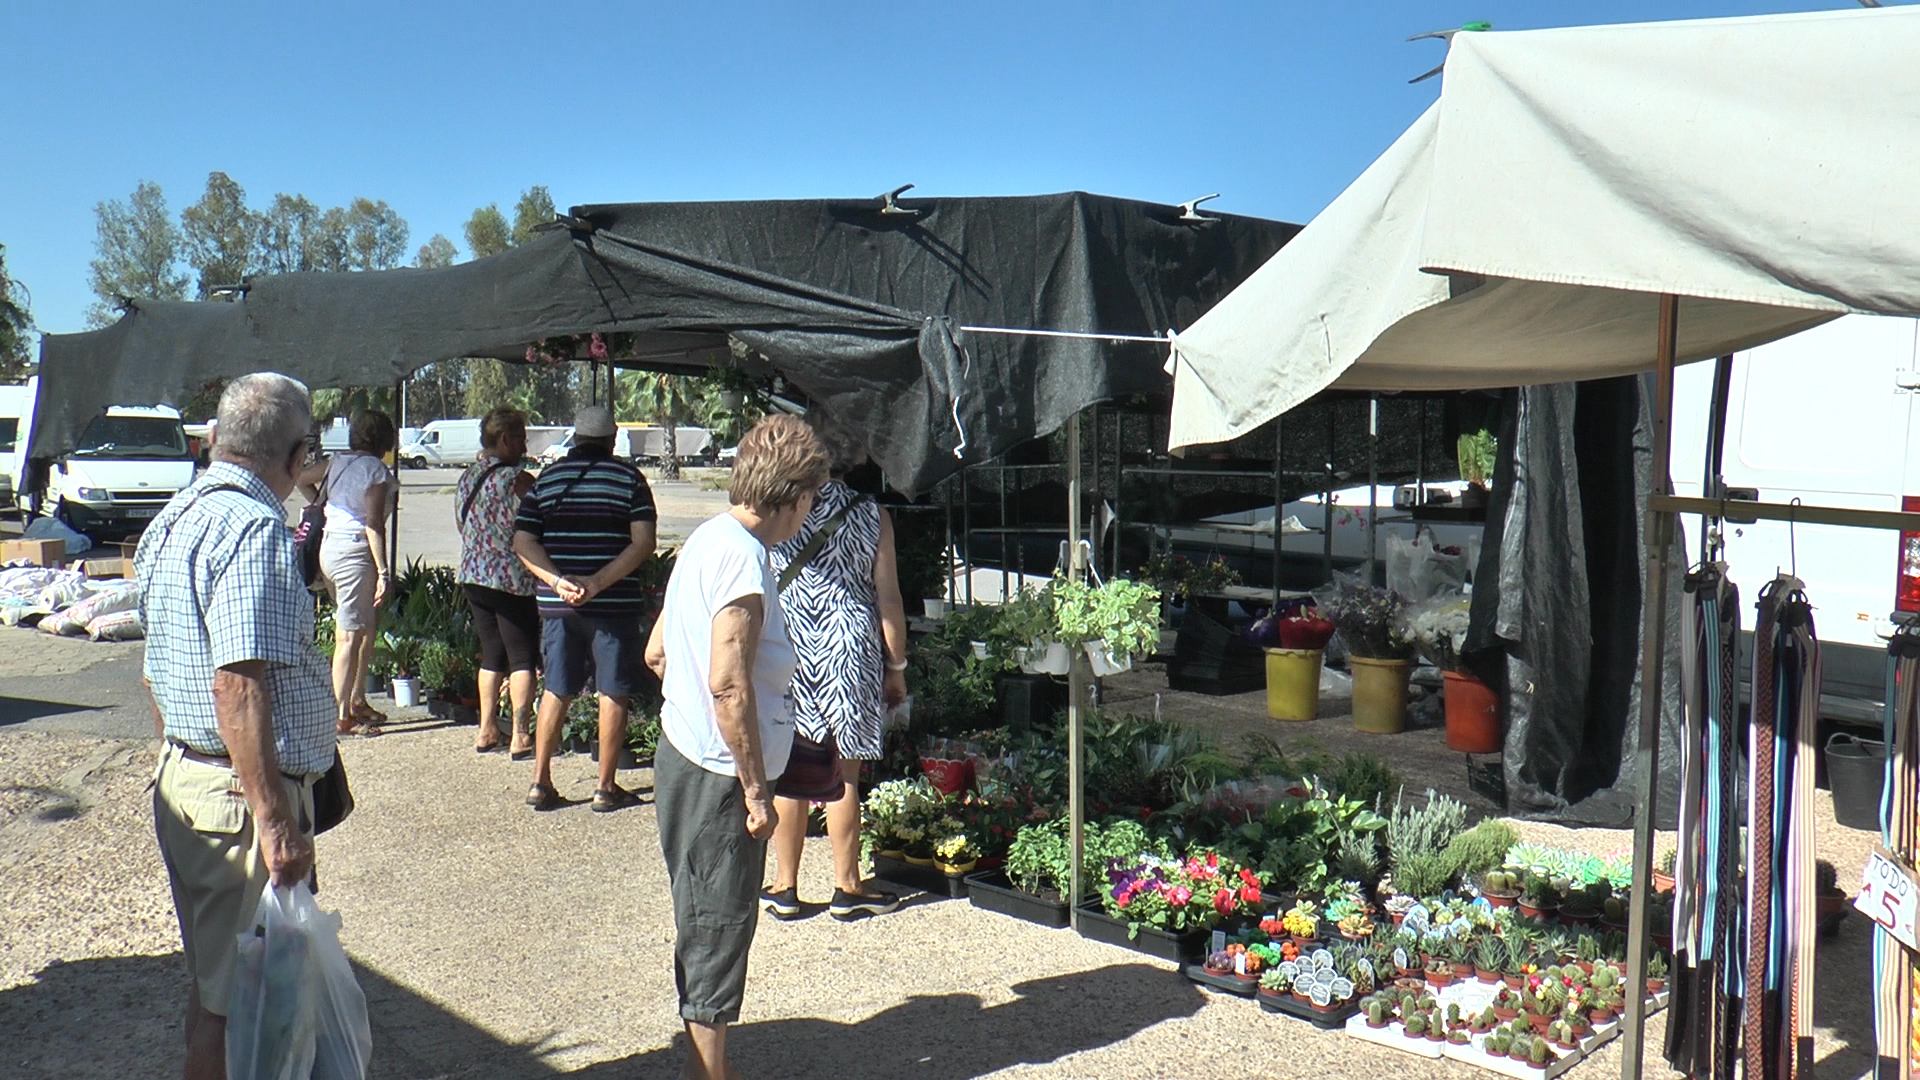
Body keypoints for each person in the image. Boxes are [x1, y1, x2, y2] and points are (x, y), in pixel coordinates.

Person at [138, 373, 338, 1080]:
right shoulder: (253, 528)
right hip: (236, 801)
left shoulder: (178, 513)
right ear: (297, 453)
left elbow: (155, 661)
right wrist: (276, 824)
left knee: (218, 991)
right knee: (240, 1011)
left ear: (218, 437)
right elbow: (237, 685)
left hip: (192, 783)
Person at [644, 413, 823, 1080]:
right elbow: (727, 684)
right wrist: (754, 789)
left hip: (687, 757)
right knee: (718, 926)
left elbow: (657, 650)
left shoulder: (708, 538)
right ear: (799, 496)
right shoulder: (746, 561)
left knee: (703, 916)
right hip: (719, 776)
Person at [763, 421, 909, 921]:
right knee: (845, 772)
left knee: (788, 766)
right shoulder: (873, 514)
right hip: (851, 646)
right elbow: (888, 597)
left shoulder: (781, 505)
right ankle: (847, 887)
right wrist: (897, 666)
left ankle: (785, 885)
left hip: (791, 642)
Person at [513, 404, 657, 812]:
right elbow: (643, 542)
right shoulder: (629, 479)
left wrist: (560, 582)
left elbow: (524, 542)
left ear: (575, 439)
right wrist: (596, 584)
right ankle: (605, 787)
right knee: (613, 690)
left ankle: (540, 781)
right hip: (613, 604)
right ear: (613, 440)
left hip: (558, 606)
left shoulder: (548, 479)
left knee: (556, 688)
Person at [300, 409, 398, 737]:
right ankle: (342, 716)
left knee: (363, 628)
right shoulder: (376, 471)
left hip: (330, 547)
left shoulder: (336, 461)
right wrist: (384, 572)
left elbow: (300, 478)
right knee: (349, 635)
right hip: (356, 552)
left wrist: (325, 506)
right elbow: (374, 524)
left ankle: (355, 700)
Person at [456, 406, 539, 757]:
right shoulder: (517, 479)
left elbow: (463, 525)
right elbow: (538, 522)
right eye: (520, 436)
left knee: (491, 654)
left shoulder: (467, 476)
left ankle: (486, 728)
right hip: (510, 577)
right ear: (505, 439)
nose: (524, 444)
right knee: (521, 657)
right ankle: (520, 735)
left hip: (473, 573)